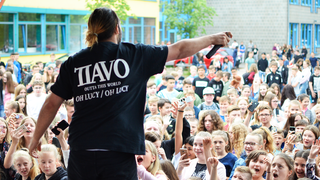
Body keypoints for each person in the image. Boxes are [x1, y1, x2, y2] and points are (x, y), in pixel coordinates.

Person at [28, 7, 232, 180]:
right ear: (117, 28)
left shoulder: (74, 62)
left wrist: (35, 138)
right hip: (118, 152)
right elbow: (178, 50)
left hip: (81, 153)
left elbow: (50, 104)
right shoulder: (134, 54)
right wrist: (212, 38)